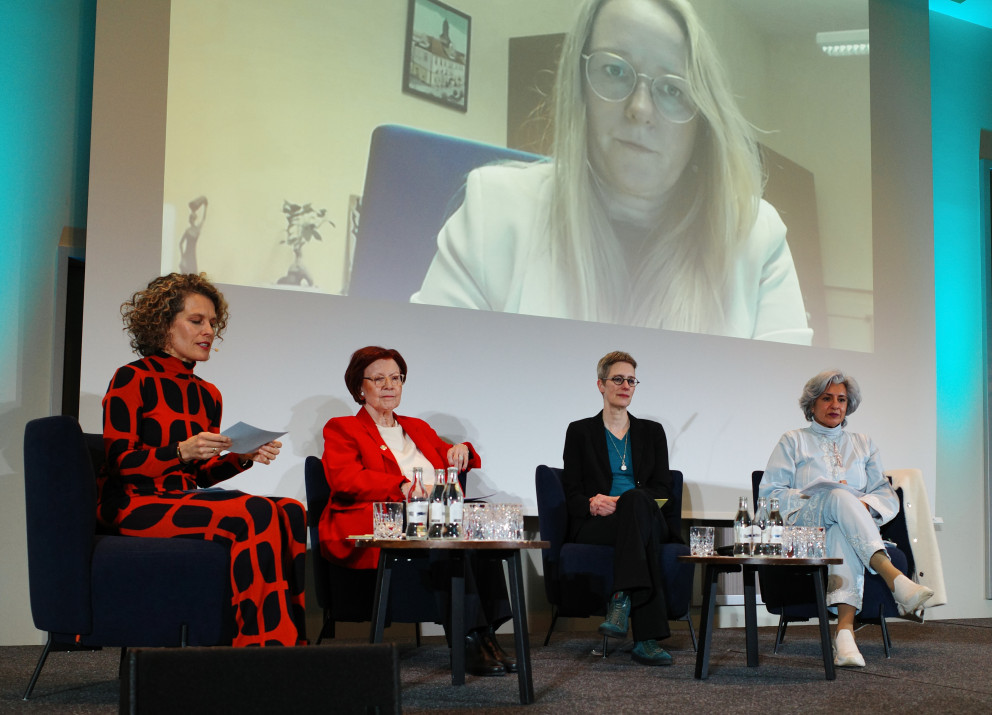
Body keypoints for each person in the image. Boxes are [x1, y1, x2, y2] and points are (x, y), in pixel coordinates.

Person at [412, 0, 811, 344]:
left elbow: (787, 414)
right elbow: (422, 388)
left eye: (673, 90)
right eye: (615, 71)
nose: (639, 108)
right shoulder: (493, 212)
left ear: (702, 121)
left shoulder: (757, 239)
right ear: (579, 86)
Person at [96, 273, 306, 647]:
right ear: (163, 325)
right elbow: (119, 462)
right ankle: (261, 647)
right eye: (197, 321)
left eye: (212, 322)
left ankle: (293, 642)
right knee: (253, 512)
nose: (209, 330)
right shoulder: (131, 378)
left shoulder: (208, 393)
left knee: (291, 511)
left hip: (182, 497)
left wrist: (242, 457)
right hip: (136, 502)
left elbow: (200, 478)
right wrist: (180, 451)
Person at [319, 346, 515, 676]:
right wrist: (401, 487)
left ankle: (486, 635)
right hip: (381, 523)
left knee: (476, 519)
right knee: (442, 527)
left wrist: (459, 449)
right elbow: (345, 478)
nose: (389, 385)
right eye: (378, 378)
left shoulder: (417, 427)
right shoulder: (342, 428)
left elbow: (459, 456)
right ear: (359, 387)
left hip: (429, 520)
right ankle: (468, 639)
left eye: (396, 377)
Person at [759, 369, 934, 667]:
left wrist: (862, 506)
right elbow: (770, 494)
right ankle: (895, 579)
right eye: (827, 398)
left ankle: (844, 635)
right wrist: (821, 498)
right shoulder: (792, 441)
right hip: (804, 528)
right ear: (812, 404)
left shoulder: (864, 444)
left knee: (842, 522)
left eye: (841, 399)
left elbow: (884, 493)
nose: (835, 405)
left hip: (847, 529)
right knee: (839, 497)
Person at [562, 351, 680, 666]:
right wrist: (590, 502)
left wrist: (627, 500)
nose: (625, 385)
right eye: (618, 379)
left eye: (631, 380)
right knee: (639, 528)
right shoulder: (580, 432)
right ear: (601, 384)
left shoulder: (652, 432)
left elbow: (663, 489)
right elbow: (571, 492)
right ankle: (647, 639)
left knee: (638, 501)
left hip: (646, 516)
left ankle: (621, 598)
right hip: (601, 523)